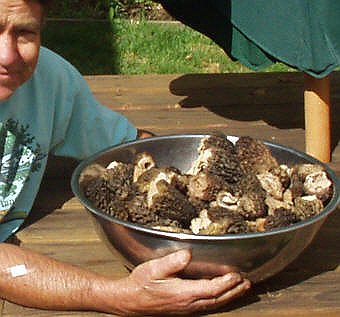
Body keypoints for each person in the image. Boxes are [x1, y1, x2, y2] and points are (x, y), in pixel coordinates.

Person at [0, 0, 251, 315]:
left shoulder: (50, 80)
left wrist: (226, 182)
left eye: (24, 33)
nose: (7, 56)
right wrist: (118, 296)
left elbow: (130, 148)